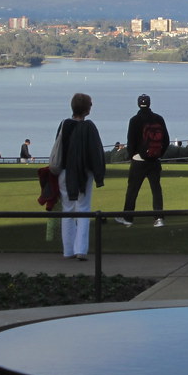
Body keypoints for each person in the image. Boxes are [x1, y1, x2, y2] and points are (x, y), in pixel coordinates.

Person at [55, 92, 106, 260]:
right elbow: (96, 153)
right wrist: (98, 174)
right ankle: (81, 250)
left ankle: (68, 250)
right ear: (86, 109)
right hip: (83, 173)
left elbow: (58, 148)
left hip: (65, 171)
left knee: (67, 210)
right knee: (83, 209)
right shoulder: (89, 127)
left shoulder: (64, 125)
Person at [116, 93, 170, 228]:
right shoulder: (159, 119)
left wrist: (132, 155)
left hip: (138, 160)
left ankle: (128, 218)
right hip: (154, 160)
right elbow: (166, 140)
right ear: (150, 103)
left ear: (138, 104)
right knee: (156, 189)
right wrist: (159, 154)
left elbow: (131, 141)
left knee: (132, 190)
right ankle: (159, 218)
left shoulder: (134, 120)